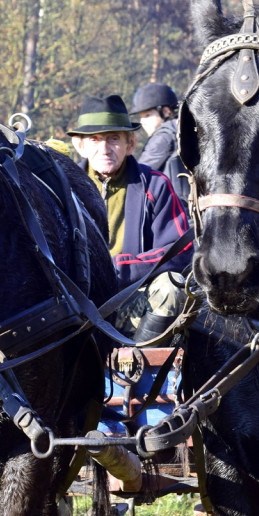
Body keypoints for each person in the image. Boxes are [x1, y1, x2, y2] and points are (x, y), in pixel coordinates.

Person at [69, 94, 193, 342]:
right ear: (80, 146)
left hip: (131, 301)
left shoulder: (155, 185)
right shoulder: (63, 187)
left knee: (172, 286)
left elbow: (182, 250)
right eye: (94, 139)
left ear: (130, 143)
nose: (104, 149)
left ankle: (144, 364)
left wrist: (118, 268)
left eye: (113, 139)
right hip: (75, 306)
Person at [129, 82, 179, 171]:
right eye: (141, 117)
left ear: (166, 111)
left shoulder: (163, 137)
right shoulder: (184, 128)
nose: (142, 122)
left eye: (147, 115)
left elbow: (139, 175)